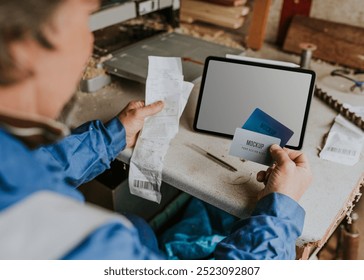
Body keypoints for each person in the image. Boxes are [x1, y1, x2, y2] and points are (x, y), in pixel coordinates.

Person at [0, 0, 312, 260]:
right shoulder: (80, 243)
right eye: (85, 19)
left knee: (137, 226)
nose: (91, 42)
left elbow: (27, 171)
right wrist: (280, 210)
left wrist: (111, 137)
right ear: (23, 47)